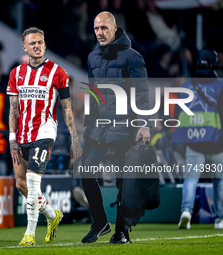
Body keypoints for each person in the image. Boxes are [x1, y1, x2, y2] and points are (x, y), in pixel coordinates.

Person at [7, 27, 82, 245]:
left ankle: (29, 234)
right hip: (22, 133)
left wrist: (74, 139)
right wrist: (12, 138)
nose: (37, 46)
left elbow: (67, 109)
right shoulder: (16, 73)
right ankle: (51, 214)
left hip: (45, 130)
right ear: (25, 47)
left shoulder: (58, 72)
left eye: (40, 42)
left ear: (45, 44)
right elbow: (13, 109)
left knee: (31, 179)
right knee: (20, 183)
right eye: (32, 43)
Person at [81, 12, 150, 244]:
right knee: (86, 171)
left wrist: (143, 124)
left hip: (125, 127)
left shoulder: (133, 57)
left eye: (103, 28)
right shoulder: (92, 57)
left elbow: (142, 94)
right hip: (99, 128)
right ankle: (100, 223)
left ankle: (121, 231)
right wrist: (88, 121)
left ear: (114, 27)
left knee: (124, 181)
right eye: (96, 29)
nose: (99, 33)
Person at [172, 50, 223, 230]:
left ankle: (185, 211)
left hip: (193, 141)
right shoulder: (220, 85)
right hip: (216, 141)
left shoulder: (186, 86)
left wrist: (178, 139)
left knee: (191, 179)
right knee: (219, 181)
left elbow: (177, 116)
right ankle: (220, 219)